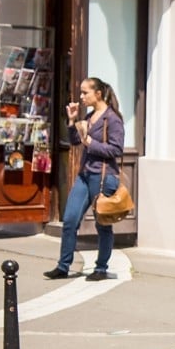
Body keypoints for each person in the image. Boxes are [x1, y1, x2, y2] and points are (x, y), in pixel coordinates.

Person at [43, 77, 124, 282]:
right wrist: (71, 121)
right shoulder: (89, 117)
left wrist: (90, 142)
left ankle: (101, 268)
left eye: (85, 92)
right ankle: (63, 266)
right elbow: (75, 141)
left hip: (103, 176)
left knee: (102, 224)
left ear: (98, 94)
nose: (81, 96)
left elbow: (116, 149)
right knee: (70, 220)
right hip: (85, 175)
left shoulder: (112, 119)